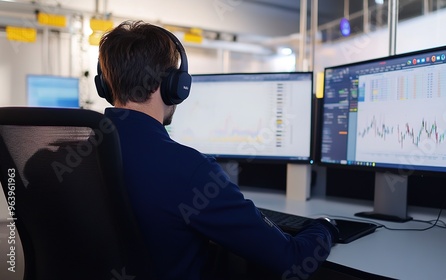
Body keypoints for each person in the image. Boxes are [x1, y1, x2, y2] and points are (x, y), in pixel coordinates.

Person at [96, 20, 339, 280]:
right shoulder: (189, 170)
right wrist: (324, 228)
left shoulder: (71, 153)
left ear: (106, 86)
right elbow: (290, 260)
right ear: (174, 85)